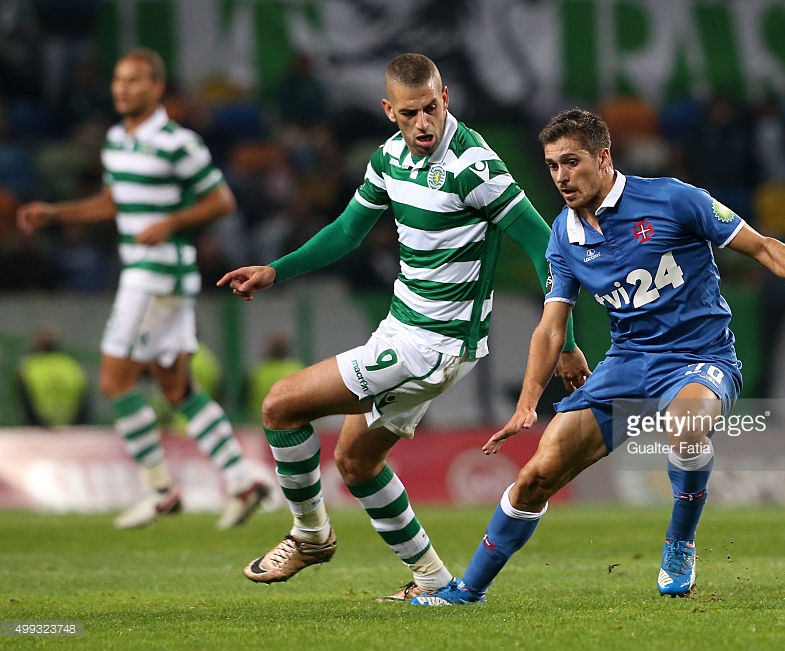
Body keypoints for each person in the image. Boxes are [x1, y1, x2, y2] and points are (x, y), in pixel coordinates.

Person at [409, 108, 785, 606]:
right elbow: (551, 326)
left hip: (700, 357)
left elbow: (762, 247)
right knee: (536, 474)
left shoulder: (672, 198)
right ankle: (468, 590)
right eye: (553, 165)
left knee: (686, 425)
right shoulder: (565, 234)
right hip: (626, 364)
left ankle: (680, 544)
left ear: (603, 158)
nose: (561, 176)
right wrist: (527, 403)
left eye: (571, 162)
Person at [217, 53, 589, 599]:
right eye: (411, 112)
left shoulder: (474, 166)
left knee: (279, 406)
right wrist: (277, 270)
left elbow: (543, 245)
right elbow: (347, 232)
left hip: (435, 346)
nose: (424, 123)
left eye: (432, 108)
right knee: (356, 460)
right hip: (400, 330)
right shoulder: (389, 159)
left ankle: (310, 534)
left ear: (446, 101)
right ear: (389, 110)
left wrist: (566, 343)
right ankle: (434, 582)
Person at [16, 47, 269, 530]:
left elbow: (221, 201)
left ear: (156, 88)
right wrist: (56, 213)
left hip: (157, 274)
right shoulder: (116, 140)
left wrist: (169, 222)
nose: (122, 89)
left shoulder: (178, 142)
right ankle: (243, 481)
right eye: (117, 80)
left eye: (133, 81)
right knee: (177, 388)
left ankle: (158, 489)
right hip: (149, 275)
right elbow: (115, 202)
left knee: (115, 380)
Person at [16, 326, 90, 428]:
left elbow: (25, 402)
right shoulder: (71, 366)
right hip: (70, 427)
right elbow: (84, 401)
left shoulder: (29, 366)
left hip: (39, 427)